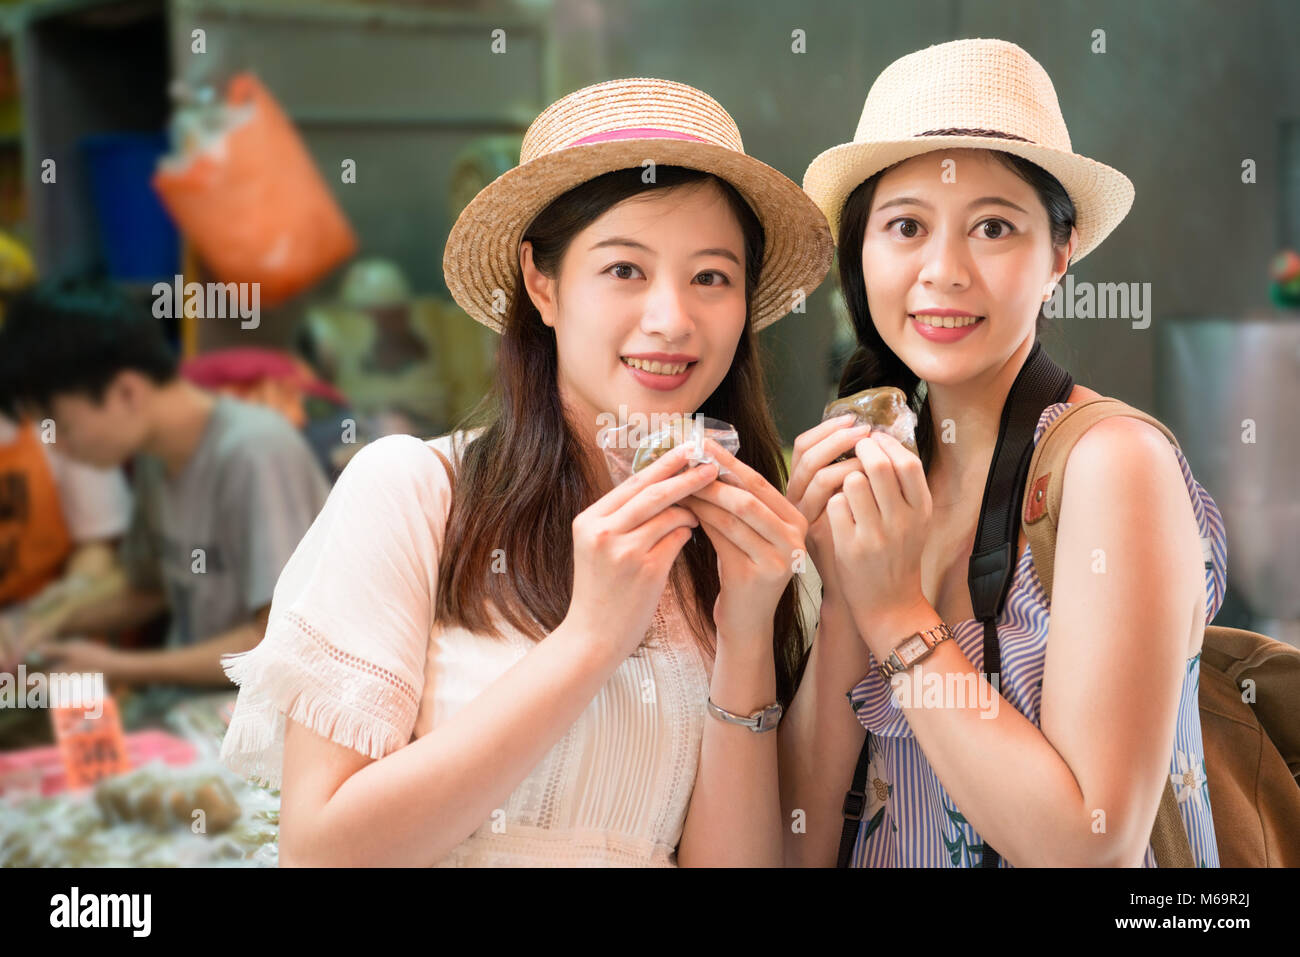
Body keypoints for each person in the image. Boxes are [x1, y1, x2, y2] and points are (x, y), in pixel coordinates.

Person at [217, 77, 834, 866]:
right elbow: (320, 851)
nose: (672, 319)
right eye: (624, 270)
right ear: (543, 284)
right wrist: (588, 640)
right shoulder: (415, 492)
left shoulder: (750, 548)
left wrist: (746, 635)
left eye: (711, 276)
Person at [780, 38, 1224, 867]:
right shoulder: (882, 468)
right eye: (906, 225)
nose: (943, 272)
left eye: (993, 226)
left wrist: (896, 616)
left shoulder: (1109, 463)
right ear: (861, 252)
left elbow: (1090, 847)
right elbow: (799, 841)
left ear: (1059, 254)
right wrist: (840, 591)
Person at [0, 279, 331, 689]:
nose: (60, 448)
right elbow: (149, 588)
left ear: (126, 392)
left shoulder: (256, 452)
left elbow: (277, 644)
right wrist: (49, 619)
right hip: (195, 709)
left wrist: (118, 667)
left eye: (62, 428)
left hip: (258, 716)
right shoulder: (155, 456)